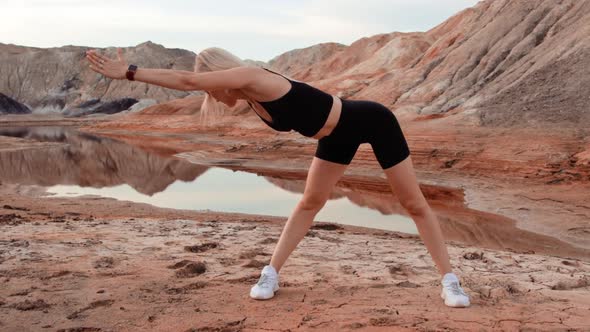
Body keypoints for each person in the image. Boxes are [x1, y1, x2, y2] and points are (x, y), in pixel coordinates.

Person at [85, 47, 470, 308]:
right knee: (309, 202)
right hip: (335, 136)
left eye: (214, 90)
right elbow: (194, 86)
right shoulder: (250, 98)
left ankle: (449, 281)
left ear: (221, 78)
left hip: (370, 120)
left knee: (413, 203)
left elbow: (188, 81)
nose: (216, 99)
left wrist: (130, 73)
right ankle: (270, 274)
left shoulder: (254, 78)